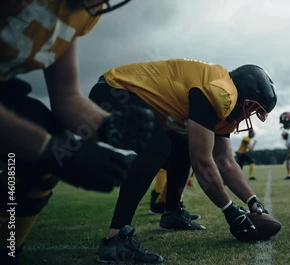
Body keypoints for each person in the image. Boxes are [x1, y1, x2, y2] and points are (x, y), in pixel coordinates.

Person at [0, 0, 151, 264]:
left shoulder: (81, 5)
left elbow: (66, 96)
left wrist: (107, 126)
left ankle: (8, 252)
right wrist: (50, 150)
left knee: (43, 151)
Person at [88, 58, 278, 263]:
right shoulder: (218, 91)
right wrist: (231, 211)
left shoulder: (223, 103)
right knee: (157, 147)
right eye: (252, 108)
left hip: (127, 97)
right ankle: (115, 239)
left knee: (181, 149)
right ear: (244, 95)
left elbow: (226, 162)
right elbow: (203, 162)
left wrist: (252, 201)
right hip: (112, 91)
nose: (248, 115)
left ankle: (171, 214)